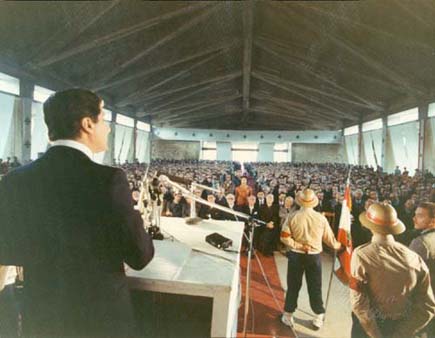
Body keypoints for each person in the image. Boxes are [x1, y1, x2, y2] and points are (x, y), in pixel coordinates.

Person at [0, 89, 155, 337]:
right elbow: (140, 256)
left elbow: (8, 249)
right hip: (99, 320)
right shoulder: (109, 180)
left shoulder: (14, 181)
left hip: (41, 317)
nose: (108, 128)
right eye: (103, 119)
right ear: (87, 124)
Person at [351, 202, 435, 338]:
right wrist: (402, 333)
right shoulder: (414, 257)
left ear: (369, 225)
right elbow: (428, 307)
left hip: (368, 327)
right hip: (400, 324)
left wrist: (375, 334)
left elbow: (359, 304)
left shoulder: (361, 255)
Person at [280, 188, 343, 330]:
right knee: (315, 286)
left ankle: (288, 315)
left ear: (299, 201)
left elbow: (284, 237)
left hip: (296, 255)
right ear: (314, 202)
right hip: (314, 258)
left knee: (293, 286)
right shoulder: (321, 218)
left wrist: (298, 245)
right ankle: (318, 316)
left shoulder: (292, 216)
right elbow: (330, 240)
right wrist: (341, 246)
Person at [410, 202, 435, 337]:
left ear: (432, 221)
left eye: (419, 216)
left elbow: (409, 275)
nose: (414, 219)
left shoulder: (420, 242)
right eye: (415, 215)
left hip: (424, 301)